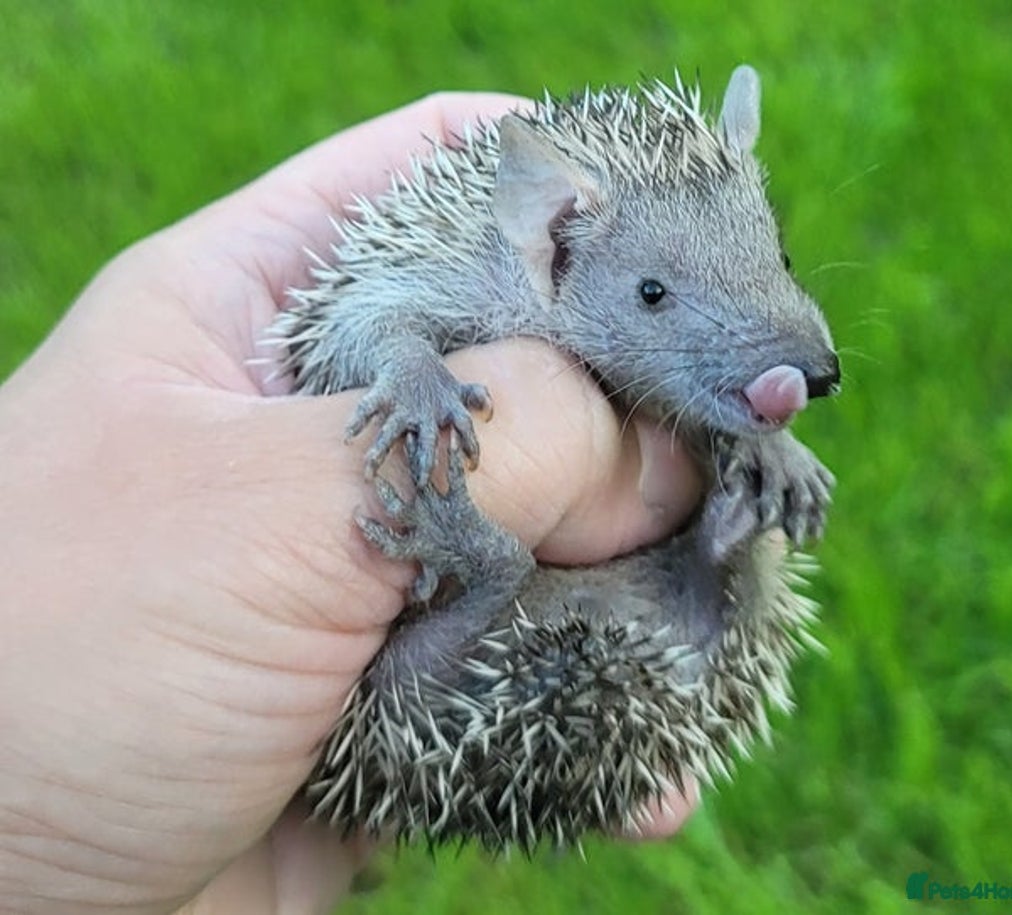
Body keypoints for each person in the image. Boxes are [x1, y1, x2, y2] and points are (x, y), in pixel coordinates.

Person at [0, 92, 703, 915]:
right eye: (657, 294)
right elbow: (364, 325)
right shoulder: (467, 269)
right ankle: (487, 581)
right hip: (437, 659)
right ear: (549, 238)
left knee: (732, 515)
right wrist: (409, 362)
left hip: (634, 621)